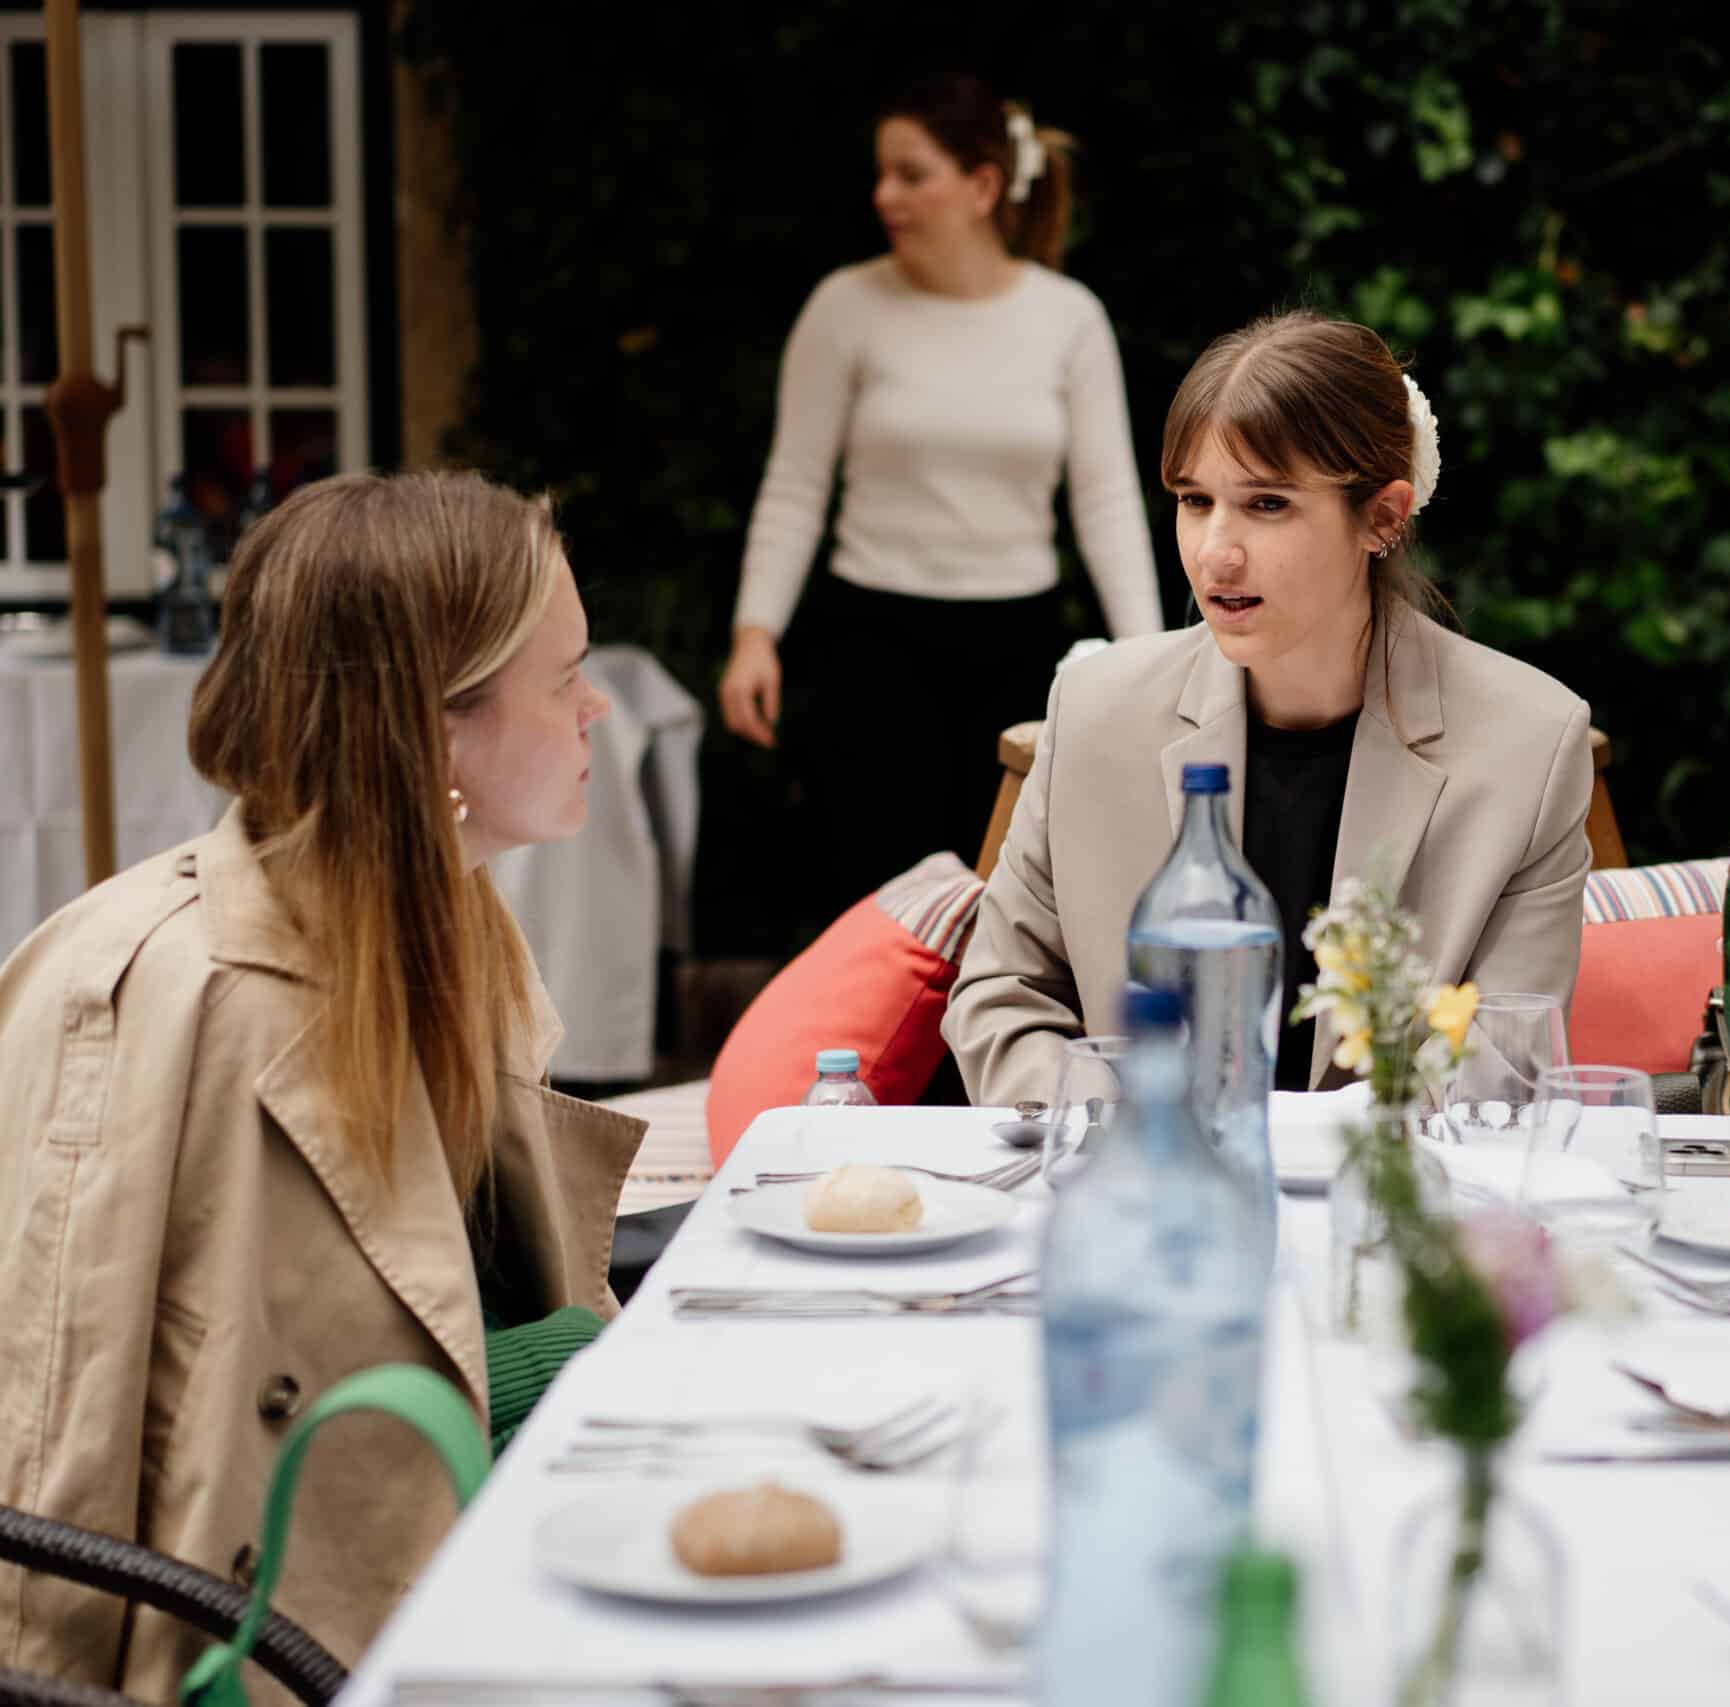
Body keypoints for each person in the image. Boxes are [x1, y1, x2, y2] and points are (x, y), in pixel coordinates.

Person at [0, 472, 643, 1697]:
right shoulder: (176, 998)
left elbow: (454, 1309)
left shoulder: (444, 924)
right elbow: (51, 1437)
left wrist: (590, 1355)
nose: (596, 706)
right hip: (276, 1651)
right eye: (564, 677)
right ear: (434, 731)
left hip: (466, 1569)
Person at [945, 310, 1593, 1107]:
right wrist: (1131, 1132)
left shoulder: (1531, 743)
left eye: (1267, 504)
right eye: (1195, 500)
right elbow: (1000, 998)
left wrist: (1321, 1149)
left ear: (1384, 516)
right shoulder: (1093, 710)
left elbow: (1507, 1058)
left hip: (1390, 1182)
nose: (1214, 553)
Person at [718, 73, 1164, 903]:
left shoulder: (1069, 318)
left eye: (911, 174)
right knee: (878, 904)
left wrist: (1145, 660)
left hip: (1018, 646)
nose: (885, 195)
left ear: (982, 186)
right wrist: (755, 635)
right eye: (881, 173)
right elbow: (794, 486)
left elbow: (1107, 503)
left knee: (1005, 901)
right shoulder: (844, 307)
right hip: (871, 650)